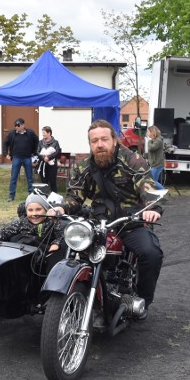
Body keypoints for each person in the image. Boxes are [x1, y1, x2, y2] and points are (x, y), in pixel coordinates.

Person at [51, 119, 165, 319]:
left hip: (129, 223)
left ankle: (142, 302)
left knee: (151, 253)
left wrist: (152, 208)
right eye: (94, 141)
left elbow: (149, 189)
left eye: (104, 139)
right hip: (97, 223)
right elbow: (74, 197)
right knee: (62, 248)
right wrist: (61, 208)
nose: (99, 144)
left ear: (114, 140)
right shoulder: (83, 167)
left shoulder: (133, 161)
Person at [0, 192, 65, 275]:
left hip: (44, 256)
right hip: (23, 256)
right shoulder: (21, 222)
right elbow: (6, 231)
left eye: (38, 209)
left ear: (46, 210)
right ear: (26, 211)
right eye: (30, 210)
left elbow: (62, 235)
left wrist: (56, 243)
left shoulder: (52, 222)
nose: (34, 214)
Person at [4, 118, 38, 201]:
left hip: (27, 157)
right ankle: (11, 196)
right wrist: (5, 154)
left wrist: (35, 153)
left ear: (23, 125)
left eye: (18, 125)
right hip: (16, 157)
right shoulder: (12, 134)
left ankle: (31, 195)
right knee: (13, 177)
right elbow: (5, 143)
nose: (16, 127)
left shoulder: (30, 133)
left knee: (29, 177)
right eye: (15, 125)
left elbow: (37, 141)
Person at [37, 126, 62, 193]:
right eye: (42, 133)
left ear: (49, 133)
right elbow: (37, 152)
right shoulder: (40, 142)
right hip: (43, 164)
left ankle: (54, 196)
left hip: (52, 165)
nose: (43, 134)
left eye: (44, 133)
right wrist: (43, 158)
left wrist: (49, 157)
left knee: (52, 181)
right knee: (44, 181)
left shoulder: (56, 142)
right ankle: (45, 195)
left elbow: (57, 152)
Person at [146, 126, 166, 191]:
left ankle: (163, 192)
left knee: (152, 181)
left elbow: (152, 148)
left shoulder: (158, 141)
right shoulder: (154, 140)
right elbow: (151, 152)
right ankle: (157, 194)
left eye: (148, 132)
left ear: (152, 132)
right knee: (154, 181)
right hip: (155, 164)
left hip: (157, 164)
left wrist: (148, 142)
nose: (147, 133)